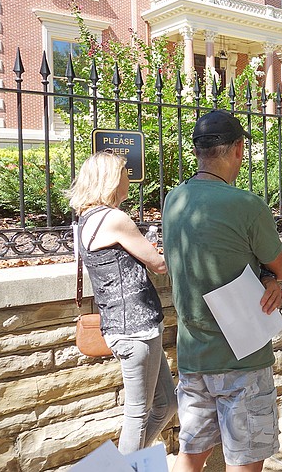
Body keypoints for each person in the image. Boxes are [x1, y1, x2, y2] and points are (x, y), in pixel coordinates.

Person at [163, 110, 282, 472]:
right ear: (238, 149)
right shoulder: (246, 205)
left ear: (198, 152)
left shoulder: (174, 200)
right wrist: (269, 279)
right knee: (245, 459)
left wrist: (265, 277)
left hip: (193, 355)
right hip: (243, 355)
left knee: (190, 456)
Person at [68, 150, 176, 454]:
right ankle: (126, 465)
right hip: (136, 329)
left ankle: (134, 460)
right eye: (125, 172)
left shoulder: (86, 219)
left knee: (167, 403)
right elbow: (159, 265)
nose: (129, 177)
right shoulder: (114, 218)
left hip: (122, 326)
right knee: (138, 414)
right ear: (112, 180)